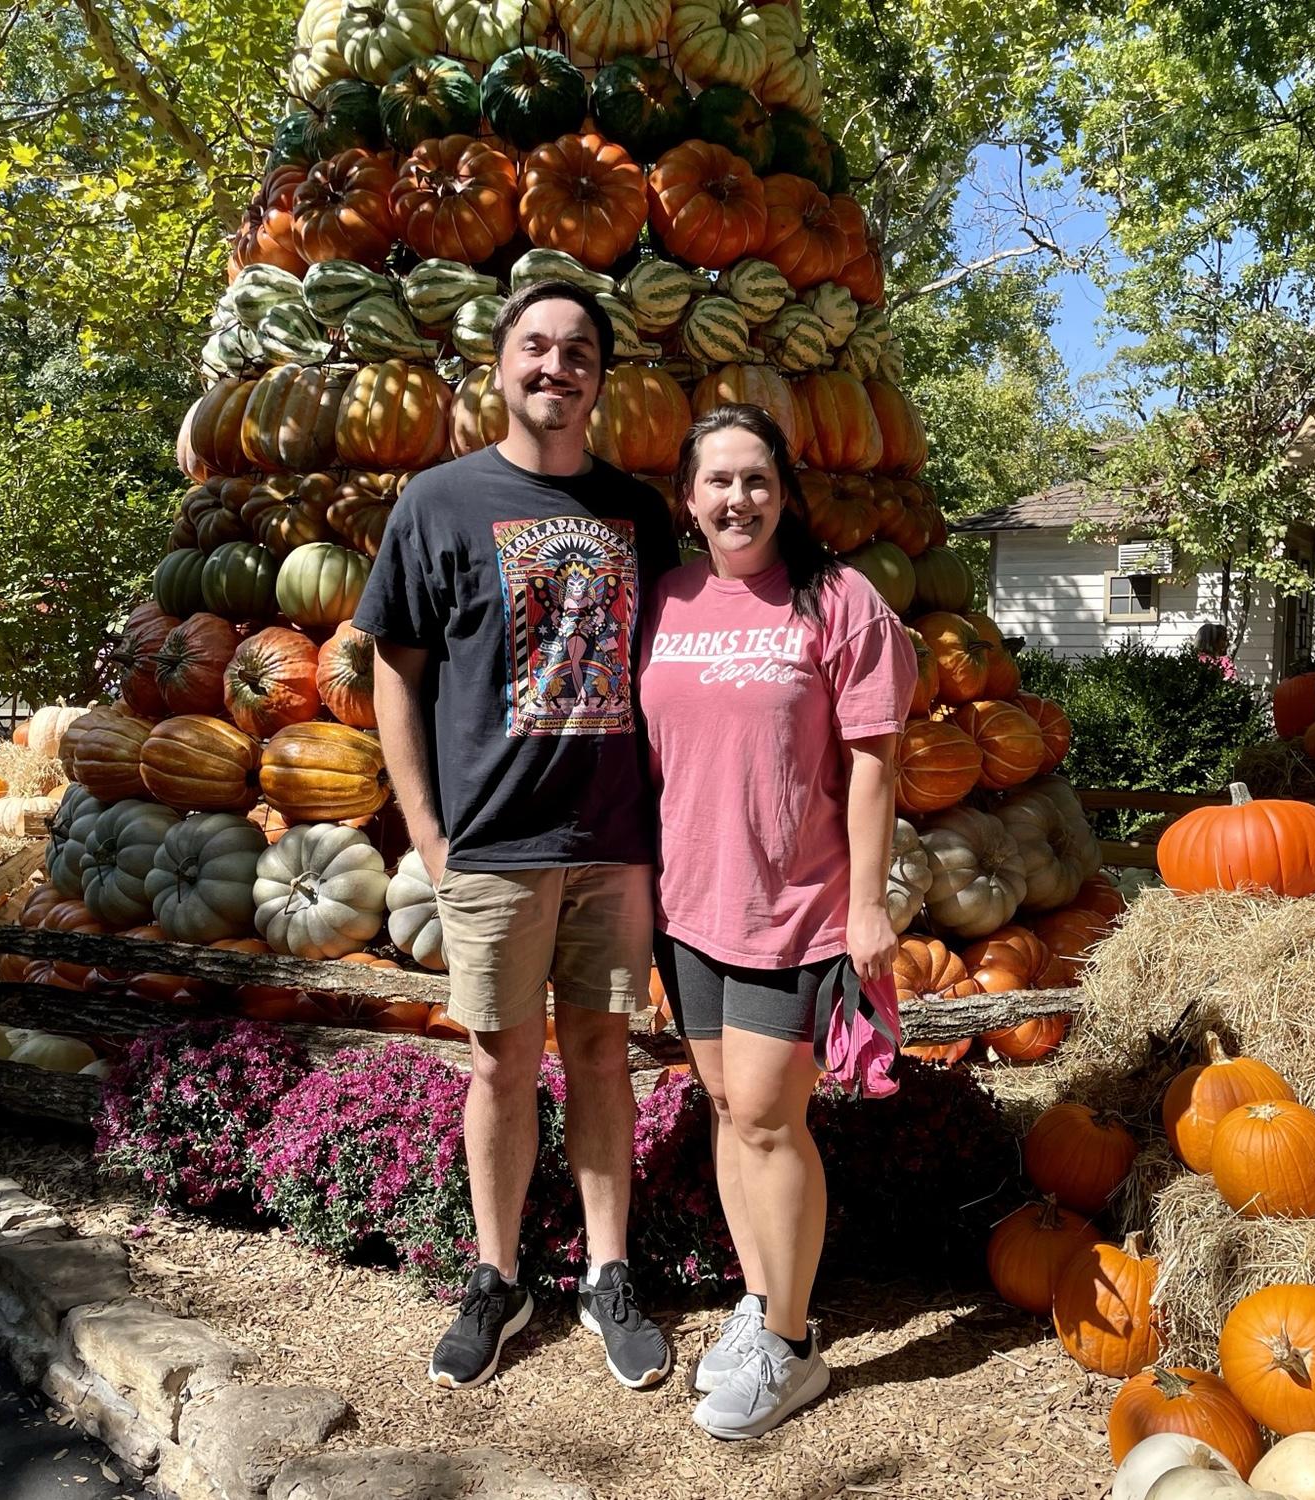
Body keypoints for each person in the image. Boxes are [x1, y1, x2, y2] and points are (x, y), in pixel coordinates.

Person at [353, 280, 679, 1393]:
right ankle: (497, 1278)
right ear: (498, 368)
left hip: (613, 842)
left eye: (579, 349)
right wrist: (430, 836)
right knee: (498, 1065)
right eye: (535, 347)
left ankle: (606, 1273)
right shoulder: (436, 503)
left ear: (600, 376)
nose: (556, 366)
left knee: (599, 1055)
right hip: (491, 844)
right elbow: (392, 678)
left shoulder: (640, 512)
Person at [639, 404, 916, 1440]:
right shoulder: (663, 601)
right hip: (687, 906)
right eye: (717, 482)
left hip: (796, 908)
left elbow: (875, 762)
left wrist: (868, 902)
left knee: (767, 1115)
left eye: (757, 480)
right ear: (687, 499)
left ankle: (792, 1348)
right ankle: (762, 1304)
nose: (738, 499)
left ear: (786, 492)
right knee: (724, 1108)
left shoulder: (840, 600)